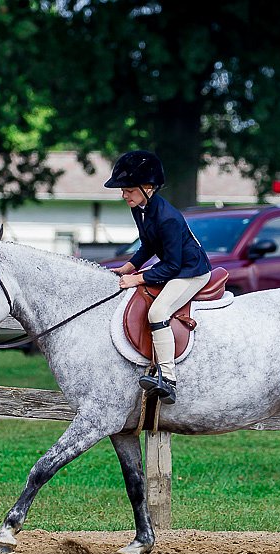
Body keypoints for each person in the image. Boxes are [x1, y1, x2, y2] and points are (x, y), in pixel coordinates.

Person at [104, 150, 212, 404]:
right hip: (175, 267)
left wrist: (138, 279)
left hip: (191, 272)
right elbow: (148, 246)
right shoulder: (141, 207)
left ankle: (168, 379)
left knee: (158, 312)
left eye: (128, 189)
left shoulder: (168, 218)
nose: (124, 194)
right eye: (123, 189)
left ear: (149, 187)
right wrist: (128, 267)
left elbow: (173, 265)